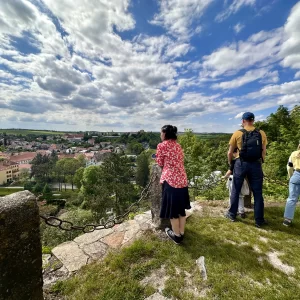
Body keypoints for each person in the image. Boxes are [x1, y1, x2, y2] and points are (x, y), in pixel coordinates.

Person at [225, 112, 268, 227]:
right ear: (253, 120)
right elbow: (263, 151)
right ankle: (259, 220)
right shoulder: (261, 133)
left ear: (243, 121)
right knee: (258, 193)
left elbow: (230, 152)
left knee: (236, 189)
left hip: (241, 163)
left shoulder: (238, 133)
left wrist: (231, 164)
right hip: (256, 164)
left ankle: (232, 214)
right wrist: (260, 162)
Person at [155, 125, 191, 244]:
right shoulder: (178, 145)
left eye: (161, 133)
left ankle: (176, 236)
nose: (160, 135)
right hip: (182, 180)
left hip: (171, 181)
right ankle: (181, 232)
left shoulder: (162, 146)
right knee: (181, 210)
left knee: (173, 211)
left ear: (165, 133)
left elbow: (160, 163)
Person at [224, 149, 248, 218]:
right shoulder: (244, 160)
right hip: (243, 179)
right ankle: (241, 211)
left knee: (233, 195)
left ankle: (232, 210)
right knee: (241, 196)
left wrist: (225, 177)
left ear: (235, 152)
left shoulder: (235, 161)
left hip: (234, 179)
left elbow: (229, 171)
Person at [283, 142, 300, 226]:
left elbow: (289, 167)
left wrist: (291, 177)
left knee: (292, 198)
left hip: (296, 175)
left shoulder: (294, 154)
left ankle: (287, 220)